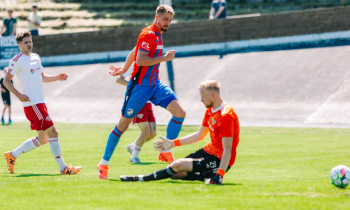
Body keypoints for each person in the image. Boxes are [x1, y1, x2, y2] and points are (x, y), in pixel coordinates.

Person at [97, 5, 186, 180]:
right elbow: (141, 59)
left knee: (180, 112)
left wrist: (124, 67)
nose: (168, 23)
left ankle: (165, 150)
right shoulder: (148, 34)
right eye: (165, 19)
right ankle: (103, 163)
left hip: (155, 84)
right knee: (122, 126)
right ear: (157, 17)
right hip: (139, 87)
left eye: (170, 20)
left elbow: (133, 52)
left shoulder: (158, 34)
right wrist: (164, 58)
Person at [120, 80, 240, 185]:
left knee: (176, 165)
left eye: (203, 96)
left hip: (219, 160)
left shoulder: (225, 116)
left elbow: (227, 149)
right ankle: (206, 177)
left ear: (212, 95)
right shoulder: (210, 110)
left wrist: (220, 174)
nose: (201, 100)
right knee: (175, 173)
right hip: (208, 151)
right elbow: (199, 135)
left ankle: (139, 179)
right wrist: (172, 143)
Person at [3, 31, 81, 175]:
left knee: (43, 138)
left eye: (30, 41)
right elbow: (6, 80)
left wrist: (57, 77)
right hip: (32, 104)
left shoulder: (36, 57)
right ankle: (64, 168)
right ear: (19, 45)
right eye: (25, 42)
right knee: (53, 132)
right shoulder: (17, 59)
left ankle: (12, 155)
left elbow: (42, 77)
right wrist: (19, 95)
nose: (29, 44)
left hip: (39, 103)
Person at [116, 63, 157, 163]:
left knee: (152, 133)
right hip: (137, 102)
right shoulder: (134, 64)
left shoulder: (152, 64)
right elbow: (119, 80)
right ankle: (134, 157)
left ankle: (132, 146)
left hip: (148, 102)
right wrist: (134, 85)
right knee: (145, 131)